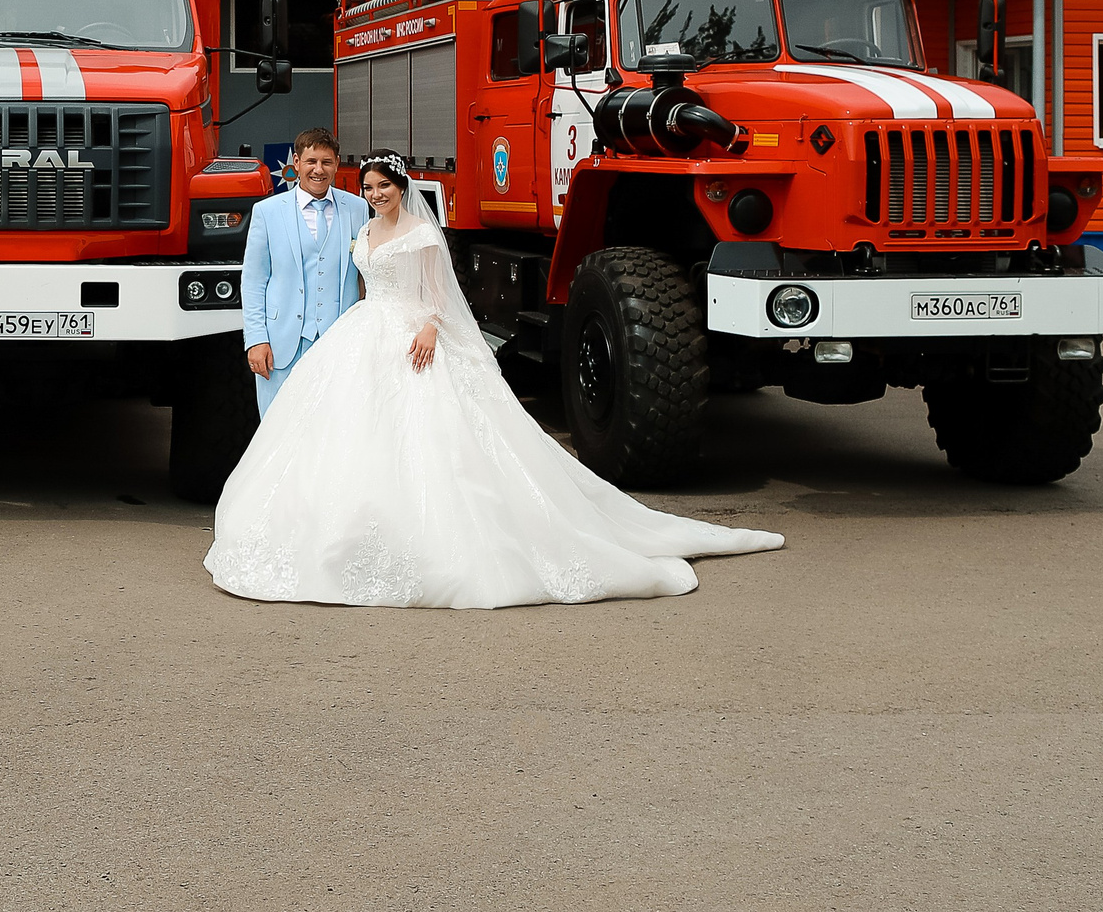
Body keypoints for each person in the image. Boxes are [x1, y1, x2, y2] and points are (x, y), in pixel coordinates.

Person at [205, 149, 784, 608]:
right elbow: (355, 281)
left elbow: (436, 291)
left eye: (384, 186)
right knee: (350, 435)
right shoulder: (363, 227)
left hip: (411, 332)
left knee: (429, 439)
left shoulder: (422, 234)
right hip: (363, 332)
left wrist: (429, 326)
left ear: (402, 188)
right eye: (370, 186)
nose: (375, 193)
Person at [238, 129, 364, 418]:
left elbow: (366, 275)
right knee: (277, 433)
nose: (318, 170)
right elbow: (254, 281)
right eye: (311, 161)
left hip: (339, 345)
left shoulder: (357, 209)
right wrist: (256, 339)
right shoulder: (267, 212)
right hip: (281, 347)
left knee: (332, 434)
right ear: (296, 162)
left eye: (327, 162)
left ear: (337, 163)